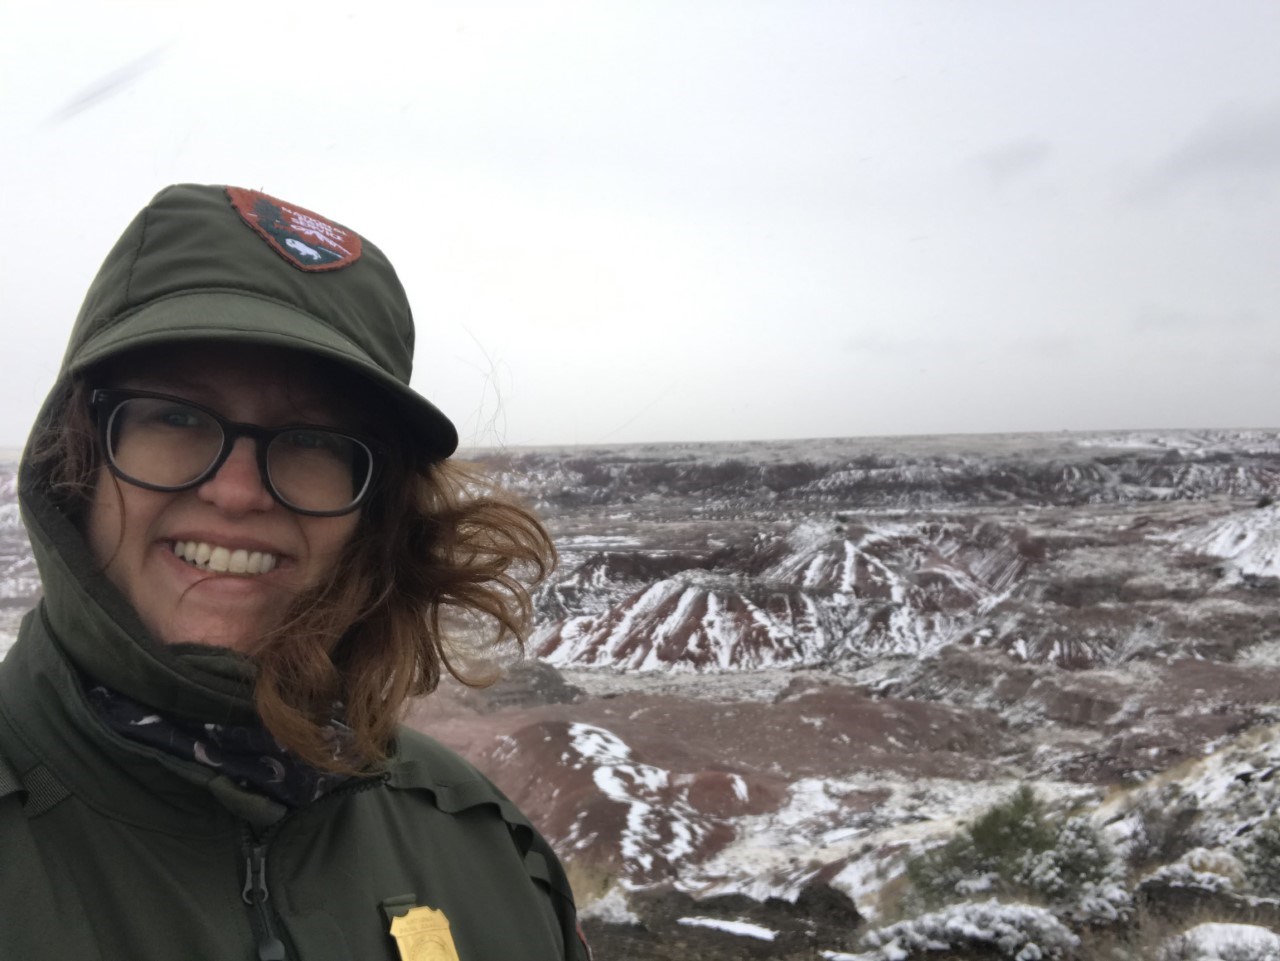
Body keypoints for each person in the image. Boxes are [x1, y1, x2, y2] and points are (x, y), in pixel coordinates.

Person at [0, 184, 590, 960]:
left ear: (376, 509)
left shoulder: (485, 854)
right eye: (176, 416)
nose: (237, 491)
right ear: (74, 462)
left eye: (312, 439)